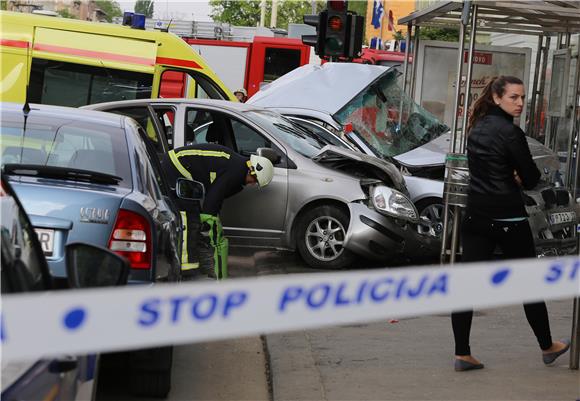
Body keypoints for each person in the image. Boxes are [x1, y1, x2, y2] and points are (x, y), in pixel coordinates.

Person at [452, 76, 570, 372]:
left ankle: (462, 354)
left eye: (522, 98)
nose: (519, 104)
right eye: (513, 98)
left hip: (476, 215)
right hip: (508, 217)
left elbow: (483, 168)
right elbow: (530, 178)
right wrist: (517, 177)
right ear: (496, 97)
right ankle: (547, 346)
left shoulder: (475, 128)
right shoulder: (511, 133)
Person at [162, 143, 274, 281]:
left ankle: (186, 260)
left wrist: (212, 219)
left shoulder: (238, 173)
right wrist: (211, 223)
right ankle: (186, 269)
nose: (252, 184)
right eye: (255, 180)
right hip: (176, 164)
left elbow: (216, 199)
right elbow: (213, 199)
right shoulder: (236, 170)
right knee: (188, 216)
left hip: (180, 164)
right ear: (252, 169)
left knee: (195, 215)